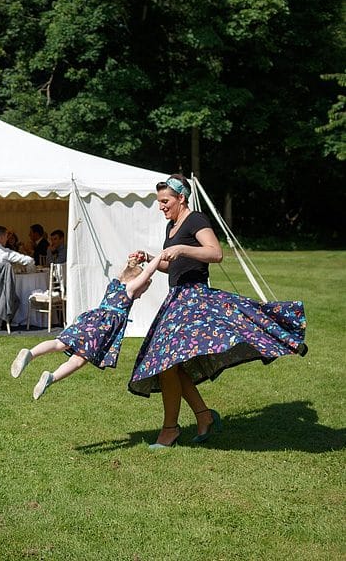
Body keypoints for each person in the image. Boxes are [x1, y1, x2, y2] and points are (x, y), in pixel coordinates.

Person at [129, 174, 307, 449]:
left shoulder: (196, 220)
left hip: (194, 299)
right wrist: (151, 259)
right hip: (176, 299)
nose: (161, 206)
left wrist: (183, 248)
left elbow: (215, 252)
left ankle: (170, 430)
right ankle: (202, 416)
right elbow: (173, 266)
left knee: (166, 363)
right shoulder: (172, 227)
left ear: (181, 198)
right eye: (159, 202)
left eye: (165, 201)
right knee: (169, 365)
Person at [11, 255, 163, 399]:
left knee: (59, 343)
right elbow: (148, 271)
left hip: (89, 320)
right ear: (137, 283)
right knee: (78, 361)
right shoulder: (129, 290)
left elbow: (124, 271)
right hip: (101, 329)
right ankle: (52, 377)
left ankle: (30, 353)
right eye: (142, 290)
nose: (141, 295)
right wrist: (160, 257)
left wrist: (130, 261)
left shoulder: (114, 284)